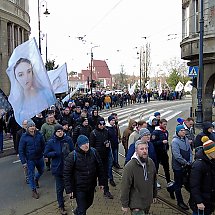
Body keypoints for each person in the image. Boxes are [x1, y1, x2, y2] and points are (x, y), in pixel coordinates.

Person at [64, 135, 105, 215]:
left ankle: (77, 212)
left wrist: (102, 182)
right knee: (82, 210)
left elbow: (100, 167)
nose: (86, 145)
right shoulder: (72, 156)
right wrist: (69, 190)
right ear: (79, 145)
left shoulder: (93, 152)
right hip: (79, 188)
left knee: (89, 203)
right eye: (84, 144)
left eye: (87, 142)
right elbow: (66, 174)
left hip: (91, 185)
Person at [9, 58, 56, 125]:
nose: (26, 77)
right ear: (16, 78)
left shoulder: (46, 94)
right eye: (21, 75)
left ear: (33, 73)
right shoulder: (18, 104)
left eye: (29, 72)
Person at [121, 140, 157, 215]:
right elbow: (125, 187)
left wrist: (154, 195)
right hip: (136, 204)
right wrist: (124, 204)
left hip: (147, 202)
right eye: (141, 149)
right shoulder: (130, 167)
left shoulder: (151, 162)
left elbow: (154, 181)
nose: (144, 151)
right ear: (136, 151)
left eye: (146, 149)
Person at [44, 125, 74, 215]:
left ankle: (73, 204)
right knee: (60, 189)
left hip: (68, 168)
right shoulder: (51, 142)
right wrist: (56, 153)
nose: (60, 133)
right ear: (55, 132)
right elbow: (46, 153)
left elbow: (73, 151)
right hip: (58, 168)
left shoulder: (68, 139)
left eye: (61, 131)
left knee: (70, 186)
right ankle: (61, 206)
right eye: (58, 131)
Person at [18, 119, 45, 199]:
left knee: (41, 170)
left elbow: (43, 145)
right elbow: (21, 150)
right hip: (30, 159)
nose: (32, 128)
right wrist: (23, 162)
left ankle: (36, 179)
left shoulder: (39, 134)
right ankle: (34, 190)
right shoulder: (24, 137)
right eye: (30, 126)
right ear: (27, 128)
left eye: (33, 126)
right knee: (31, 174)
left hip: (39, 157)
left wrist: (45, 155)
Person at [89, 117, 113, 199]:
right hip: (96, 157)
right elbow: (91, 147)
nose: (102, 126)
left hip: (105, 156)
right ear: (97, 124)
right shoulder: (93, 133)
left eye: (103, 124)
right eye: (100, 124)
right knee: (94, 174)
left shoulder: (106, 131)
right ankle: (92, 187)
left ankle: (106, 190)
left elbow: (109, 140)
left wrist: (108, 144)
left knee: (105, 174)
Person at [189, 140, 215, 215]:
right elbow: (194, 185)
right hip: (201, 202)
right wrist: (199, 201)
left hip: (209, 199)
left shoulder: (212, 161)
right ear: (209, 152)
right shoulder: (198, 165)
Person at [171, 124, 193, 210]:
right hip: (178, 167)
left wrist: (190, 161)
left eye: (184, 130)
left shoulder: (186, 139)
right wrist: (185, 163)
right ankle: (179, 202)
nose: (184, 132)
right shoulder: (175, 141)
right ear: (177, 132)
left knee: (184, 182)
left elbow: (190, 151)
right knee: (178, 184)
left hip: (187, 165)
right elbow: (177, 156)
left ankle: (170, 188)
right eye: (182, 130)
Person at [150, 119, 171, 190]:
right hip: (157, 153)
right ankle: (155, 181)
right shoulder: (155, 132)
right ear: (160, 124)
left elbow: (166, 141)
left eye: (166, 124)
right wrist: (162, 142)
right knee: (156, 168)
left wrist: (167, 147)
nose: (165, 126)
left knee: (166, 167)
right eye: (164, 124)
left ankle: (168, 181)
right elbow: (152, 143)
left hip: (164, 153)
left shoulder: (166, 132)